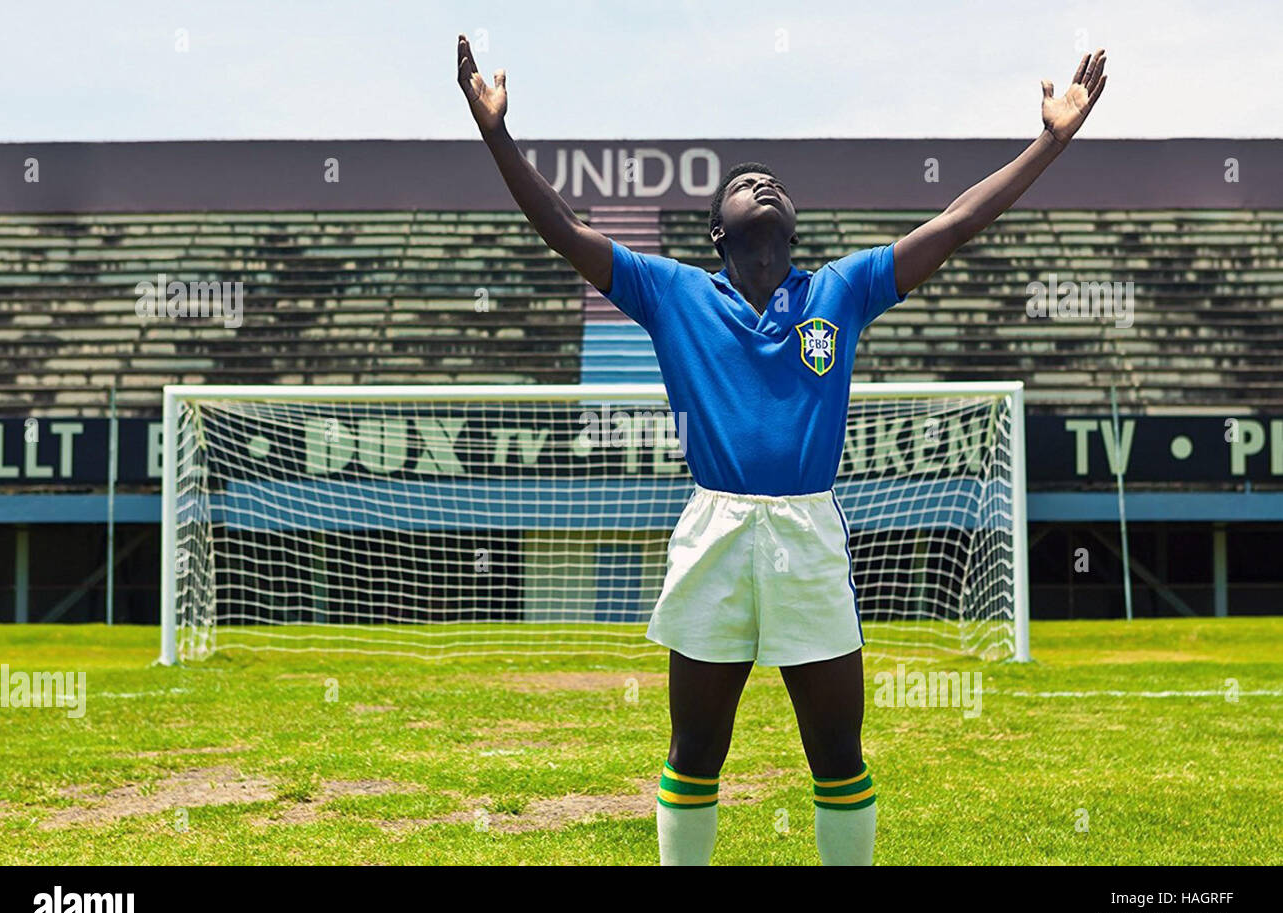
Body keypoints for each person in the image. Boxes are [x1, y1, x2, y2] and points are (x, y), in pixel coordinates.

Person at [457, 34, 1107, 865]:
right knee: (696, 751)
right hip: (714, 532)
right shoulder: (672, 292)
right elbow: (561, 226)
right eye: (741, 184)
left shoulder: (841, 290)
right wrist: (497, 136)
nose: (760, 183)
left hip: (807, 533)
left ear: (792, 229)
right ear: (716, 236)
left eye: (772, 185)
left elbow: (957, 219)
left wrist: (1051, 141)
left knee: (837, 755)